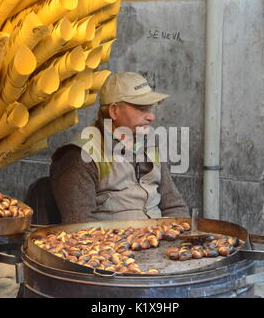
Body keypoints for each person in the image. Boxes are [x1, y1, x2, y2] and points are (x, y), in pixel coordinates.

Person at [50, 72, 189, 223]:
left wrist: (176, 236)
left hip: (161, 241)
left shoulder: (148, 143)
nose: (151, 117)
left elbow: (174, 206)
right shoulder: (80, 155)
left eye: (150, 108)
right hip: (111, 245)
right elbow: (80, 230)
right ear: (114, 111)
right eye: (142, 109)